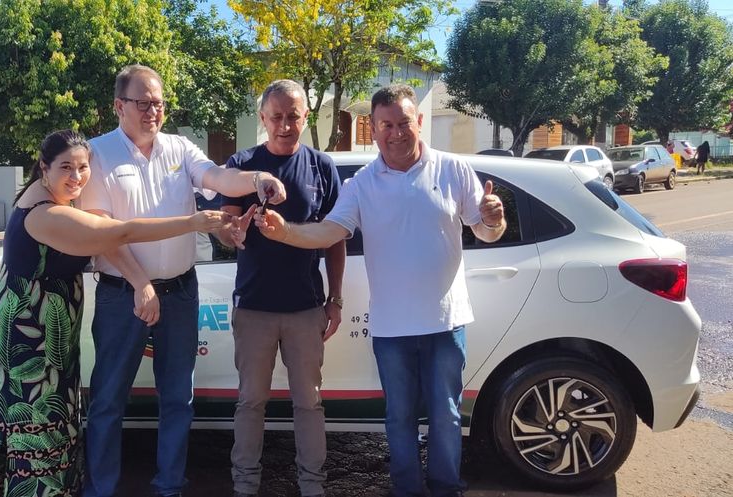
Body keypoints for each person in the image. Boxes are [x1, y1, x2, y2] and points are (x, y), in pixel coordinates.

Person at [254, 83, 506, 497]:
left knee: (446, 415)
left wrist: (494, 220)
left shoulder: (453, 169)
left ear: (419, 122)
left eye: (404, 122)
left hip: (446, 322)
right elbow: (328, 232)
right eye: (386, 125)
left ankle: (446, 488)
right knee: (399, 418)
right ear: (373, 129)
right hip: (392, 328)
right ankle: (406, 490)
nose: (396, 133)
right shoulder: (361, 184)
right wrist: (285, 233)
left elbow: (485, 230)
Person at [0, 130, 230, 497]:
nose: (77, 177)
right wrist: (191, 223)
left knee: (52, 415)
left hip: (46, 324)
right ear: (44, 167)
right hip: (29, 332)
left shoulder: (55, 197)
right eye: (66, 167)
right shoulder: (46, 212)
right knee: (35, 418)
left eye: (83, 167)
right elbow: (120, 233)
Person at [78, 64, 286, 497]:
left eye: (159, 103)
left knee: (178, 399)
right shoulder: (97, 155)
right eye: (143, 103)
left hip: (179, 293)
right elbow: (101, 231)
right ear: (119, 106)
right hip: (122, 295)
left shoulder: (179, 148)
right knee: (108, 400)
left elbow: (217, 176)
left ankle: (169, 486)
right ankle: (100, 489)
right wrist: (140, 283)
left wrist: (257, 179)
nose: (153, 111)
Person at [217, 79, 345, 497]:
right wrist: (233, 232)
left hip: (305, 308)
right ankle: (244, 486)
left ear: (306, 116)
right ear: (263, 118)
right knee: (251, 402)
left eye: (293, 116)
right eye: (277, 117)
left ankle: (313, 486)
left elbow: (335, 239)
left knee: (309, 403)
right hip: (254, 308)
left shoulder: (321, 166)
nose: (285, 125)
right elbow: (225, 228)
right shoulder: (243, 163)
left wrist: (335, 299)